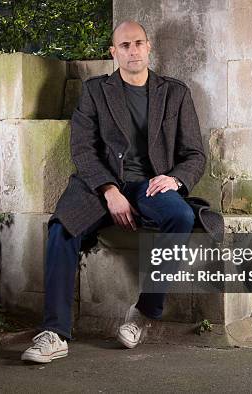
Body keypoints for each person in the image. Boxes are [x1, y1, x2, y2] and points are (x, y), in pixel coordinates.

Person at [21, 20, 206, 363]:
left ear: (149, 47)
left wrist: (176, 180)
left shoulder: (175, 92)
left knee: (180, 216)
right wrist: (108, 189)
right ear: (114, 52)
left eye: (138, 43)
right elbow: (82, 148)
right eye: (125, 45)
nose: (133, 50)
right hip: (101, 183)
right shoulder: (95, 91)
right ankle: (55, 333)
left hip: (150, 185)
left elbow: (195, 154)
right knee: (62, 226)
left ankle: (144, 313)